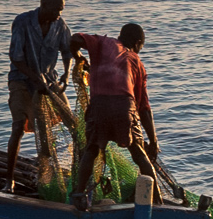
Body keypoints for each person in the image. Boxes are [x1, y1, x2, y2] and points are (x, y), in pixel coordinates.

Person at [68, 23, 159, 208]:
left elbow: (74, 39)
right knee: (139, 153)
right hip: (124, 108)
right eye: (141, 47)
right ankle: (157, 200)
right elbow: (144, 108)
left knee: (91, 150)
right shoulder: (137, 63)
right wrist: (153, 140)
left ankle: (78, 194)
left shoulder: (103, 43)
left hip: (99, 107)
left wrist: (78, 57)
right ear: (138, 43)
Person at [5, 0, 76, 191]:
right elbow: (16, 58)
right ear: (43, 5)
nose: (59, 14)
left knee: (72, 124)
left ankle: (67, 173)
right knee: (18, 127)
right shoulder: (23, 22)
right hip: (21, 79)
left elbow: (68, 51)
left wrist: (66, 74)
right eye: (56, 10)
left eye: (61, 10)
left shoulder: (59, 25)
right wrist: (34, 78)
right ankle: (9, 180)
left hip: (49, 81)